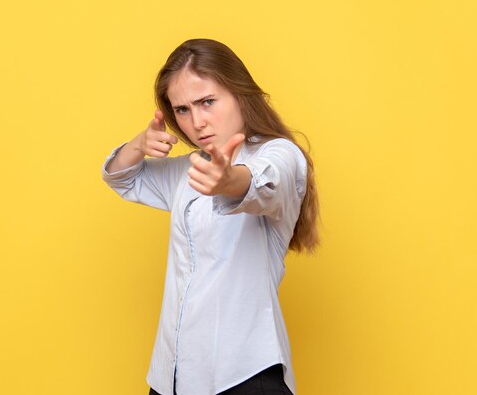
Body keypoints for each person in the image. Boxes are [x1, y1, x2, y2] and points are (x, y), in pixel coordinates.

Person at [102, 39, 320, 395]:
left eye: (207, 102)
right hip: (171, 377)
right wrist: (139, 145)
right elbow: (122, 176)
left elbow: (264, 181)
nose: (197, 122)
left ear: (239, 93)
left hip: (244, 374)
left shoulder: (280, 154)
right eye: (183, 110)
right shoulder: (191, 169)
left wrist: (229, 181)